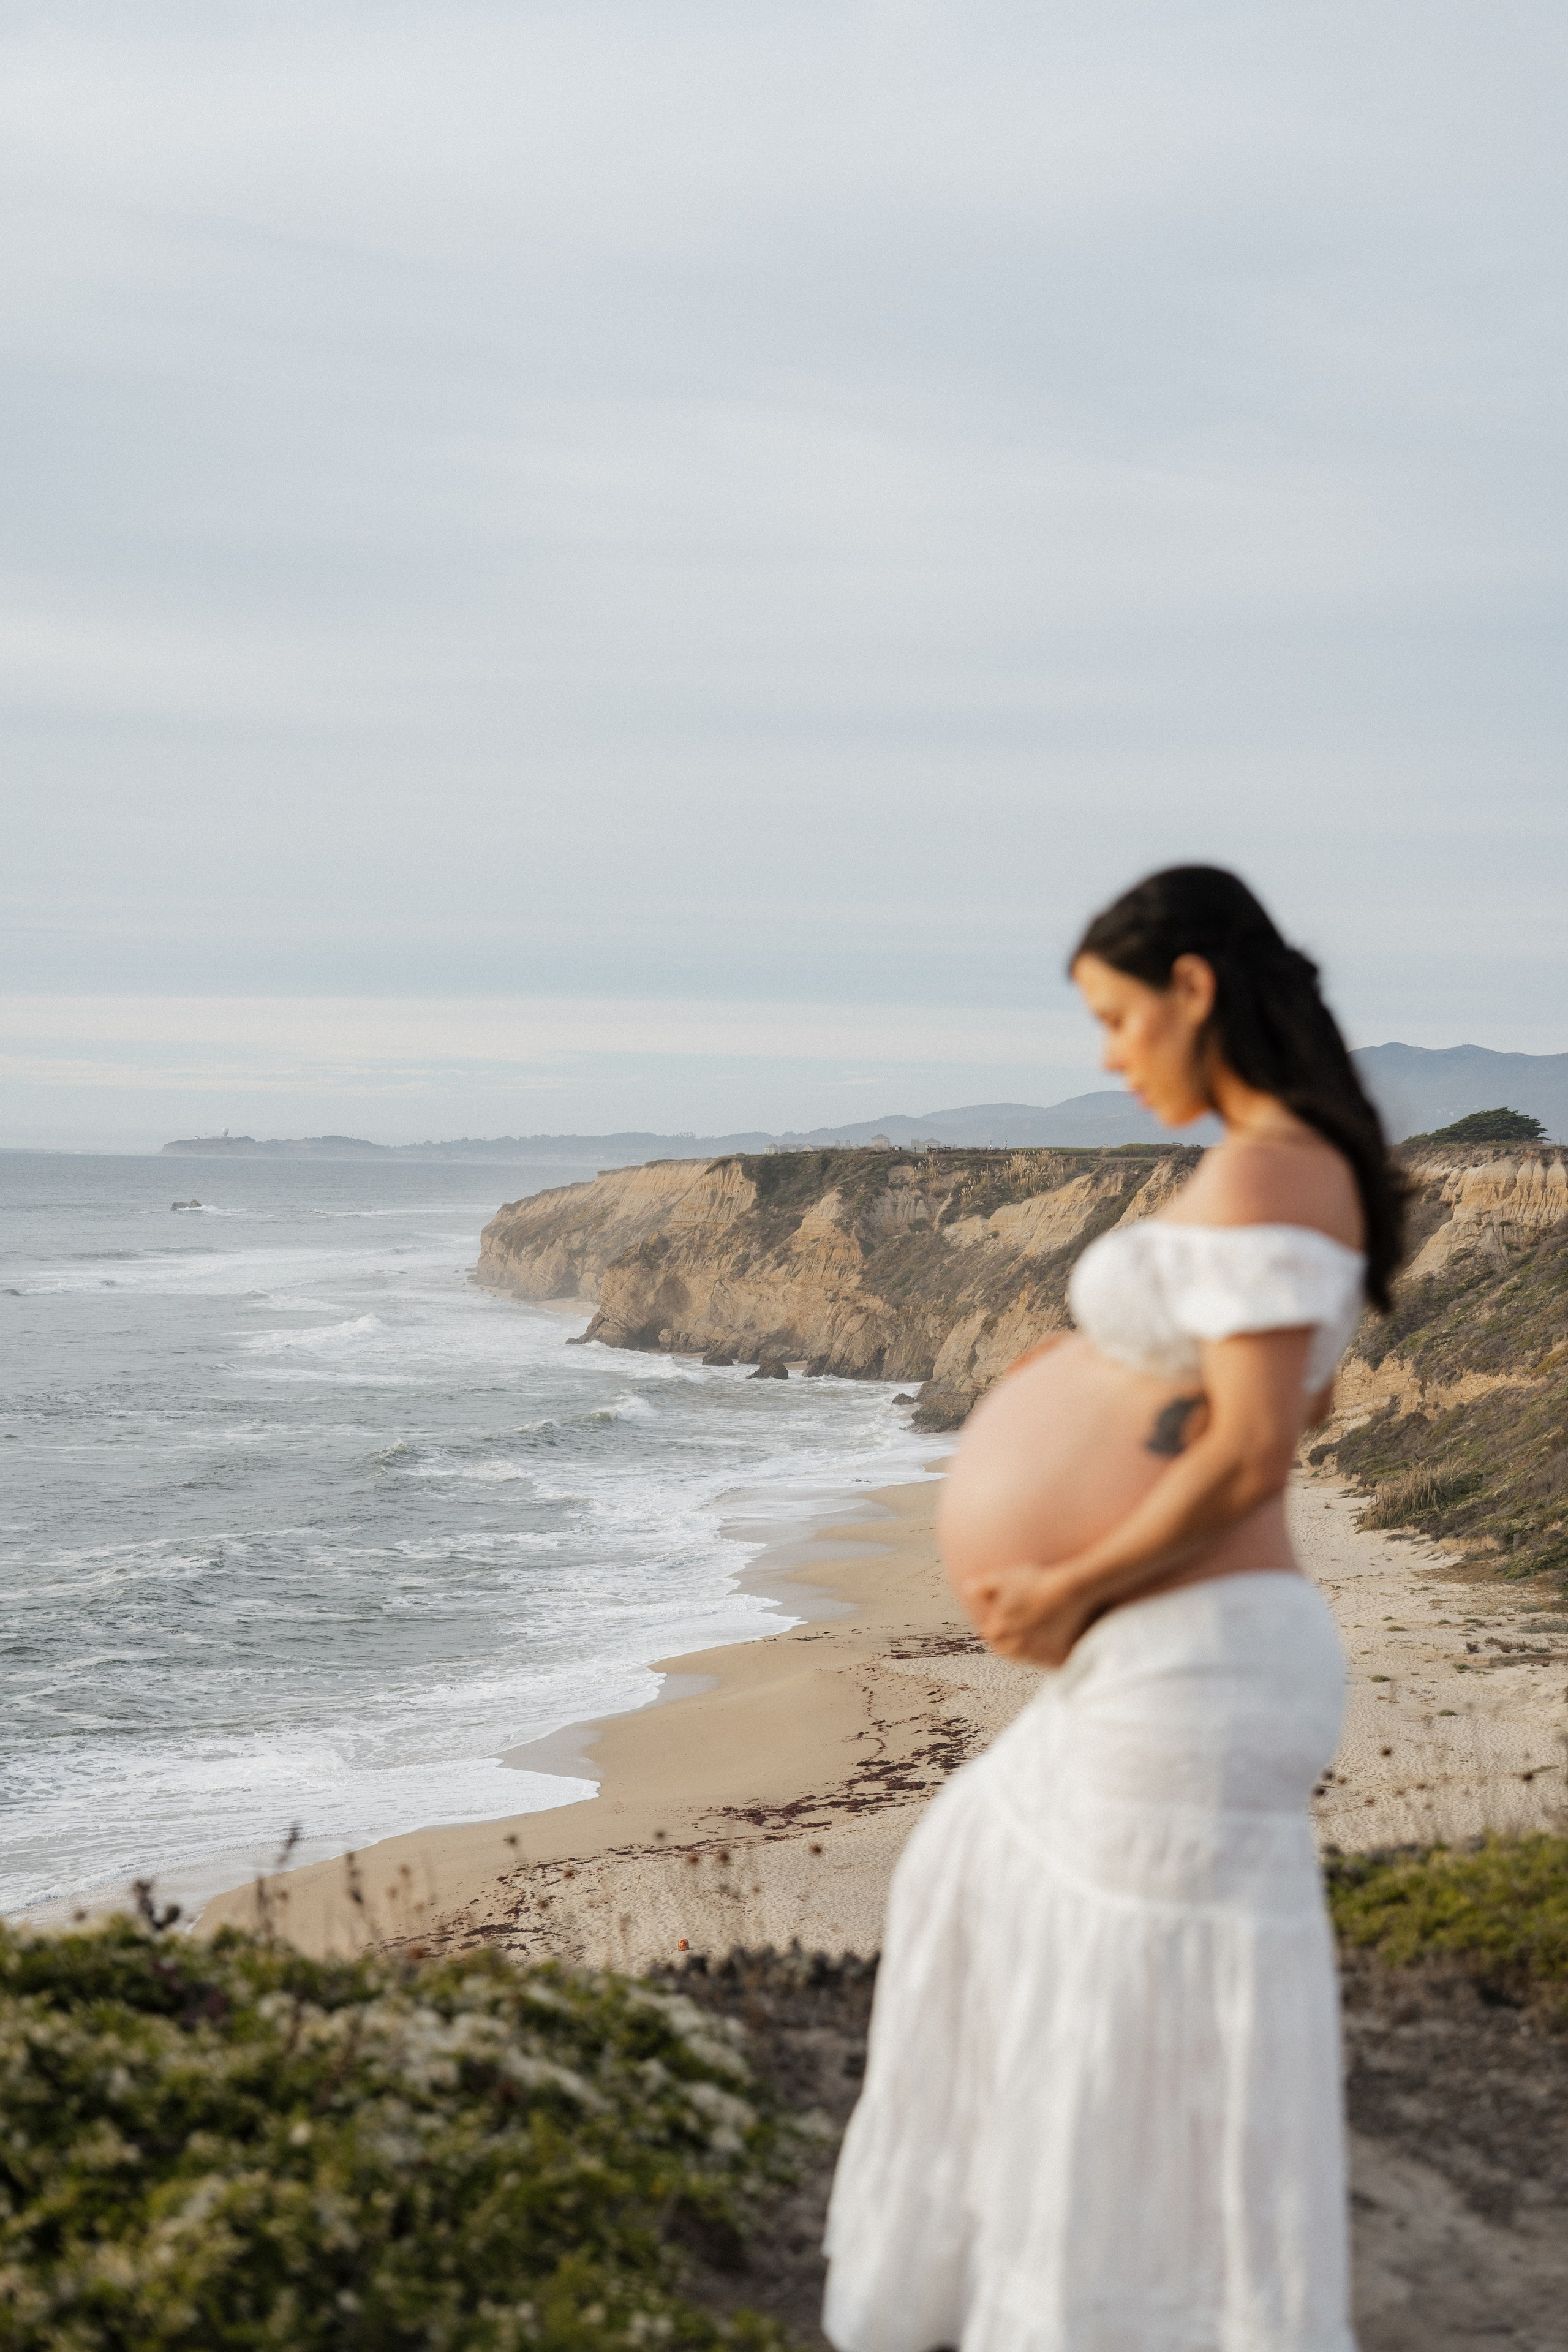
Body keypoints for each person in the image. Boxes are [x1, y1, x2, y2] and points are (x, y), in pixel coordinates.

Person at [823, 865, 1403, 2352]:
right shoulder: (1276, 1167)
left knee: (1126, 2025)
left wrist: (1070, 1582)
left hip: (1193, 1659)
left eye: (1113, 1015)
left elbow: (1261, 1442)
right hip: (1176, 1656)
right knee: (1002, 1904)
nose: (1104, 1054)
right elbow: (1263, 1394)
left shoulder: (1272, 1165)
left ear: (1193, 987)